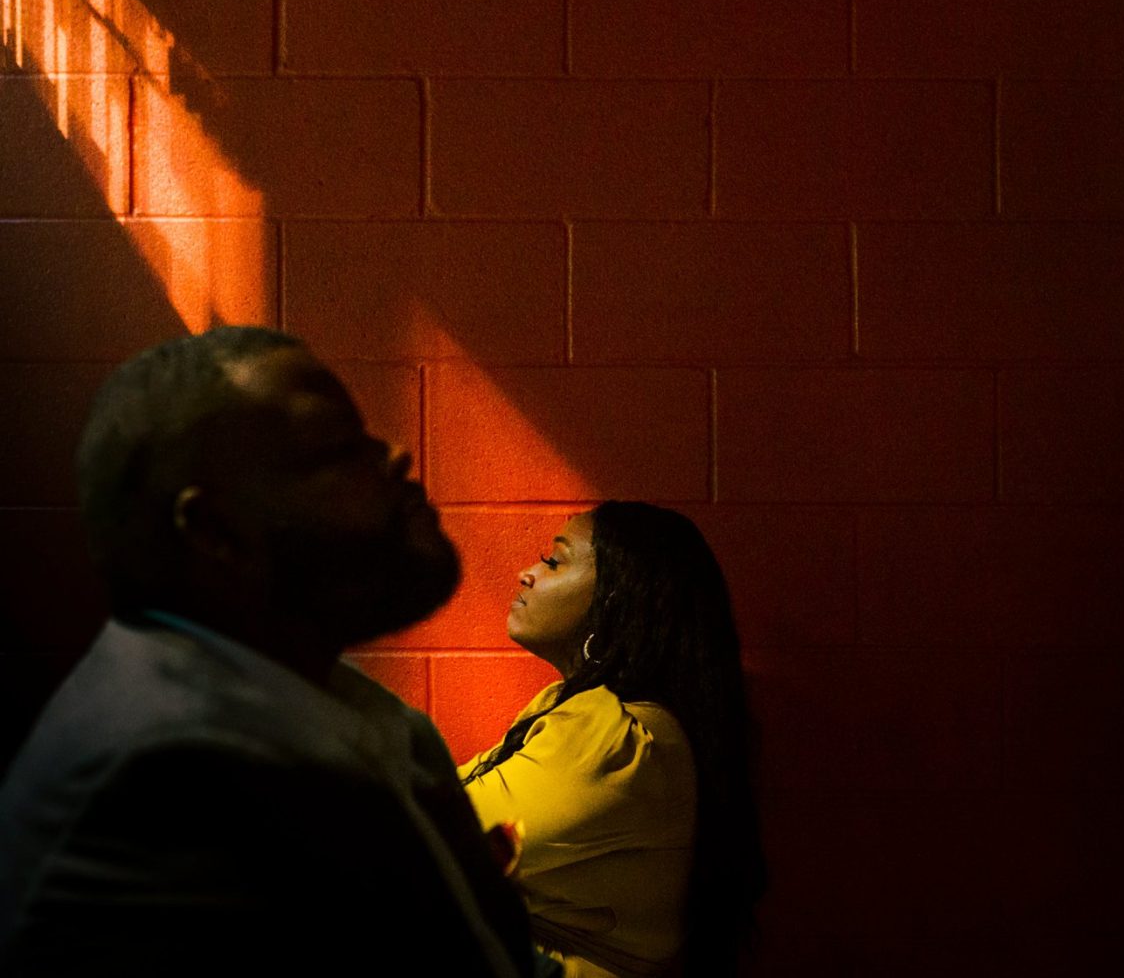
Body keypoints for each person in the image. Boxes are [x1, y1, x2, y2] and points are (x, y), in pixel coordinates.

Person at [0, 327, 540, 978]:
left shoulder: (334, 699)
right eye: (338, 449)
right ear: (216, 532)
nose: (395, 455)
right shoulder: (171, 775)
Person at [459, 502, 765, 978]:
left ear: (614, 601)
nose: (526, 573)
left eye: (554, 561)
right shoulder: (580, 712)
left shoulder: (612, 740)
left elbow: (432, 831)